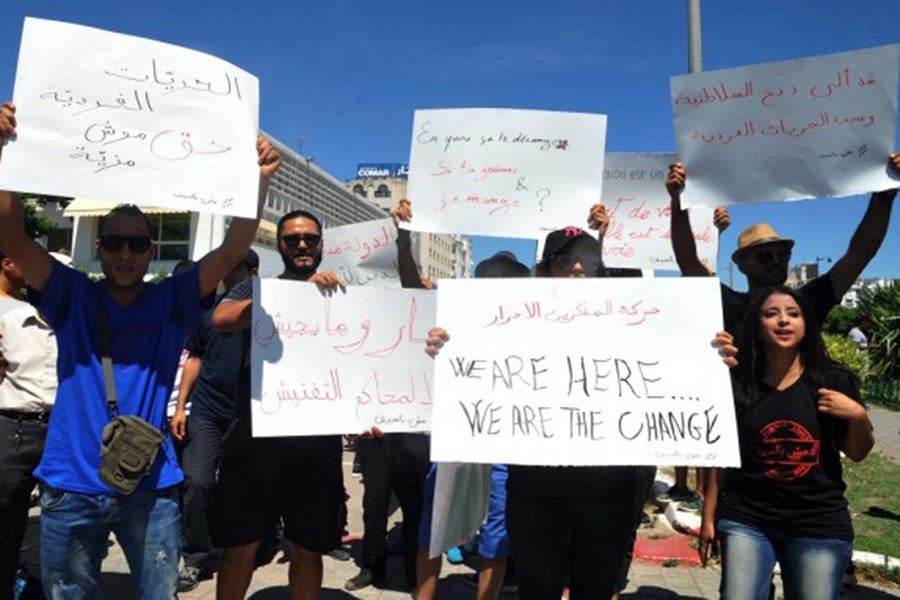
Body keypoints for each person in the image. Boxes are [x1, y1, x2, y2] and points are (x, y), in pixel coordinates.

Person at [0, 100, 282, 599]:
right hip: (70, 484)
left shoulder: (171, 301)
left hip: (150, 490)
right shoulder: (72, 294)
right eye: (113, 243)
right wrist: (3, 152)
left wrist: (257, 179)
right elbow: (12, 237)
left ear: (151, 251)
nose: (124, 254)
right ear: (102, 248)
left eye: (136, 244)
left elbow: (234, 249)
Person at [700, 286, 874, 600]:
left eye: (793, 313)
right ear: (757, 324)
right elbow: (722, 454)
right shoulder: (738, 382)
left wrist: (859, 416)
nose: (783, 321)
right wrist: (708, 516)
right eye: (771, 313)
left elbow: (859, 453)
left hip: (817, 521)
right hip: (747, 517)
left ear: (806, 323)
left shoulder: (834, 380)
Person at [211, 208, 345, 600]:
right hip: (255, 434)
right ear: (280, 245)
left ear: (321, 244)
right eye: (292, 239)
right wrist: (286, 299)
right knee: (240, 545)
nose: (302, 245)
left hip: (315, 441)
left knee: (307, 546)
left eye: (310, 239)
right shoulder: (257, 287)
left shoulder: (343, 291)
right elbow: (221, 318)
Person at [666, 153, 900, 335]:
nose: (777, 261)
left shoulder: (807, 302)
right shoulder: (731, 304)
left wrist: (884, 197)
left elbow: (859, 254)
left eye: (783, 254)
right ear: (742, 266)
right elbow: (689, 262)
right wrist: (678, 200)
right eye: (765, 255)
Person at [415, 250, 530, 600]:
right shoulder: (453, 325)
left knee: (496, 535)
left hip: (506, 444)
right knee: (434, 528)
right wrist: (435, 346)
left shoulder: (534, 331)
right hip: (458, 437)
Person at [345, 200, 431, 592]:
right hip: (375, 426)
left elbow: (413, 279)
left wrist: (403, 241)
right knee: (373, 504)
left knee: (415, 507)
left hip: (413, 427)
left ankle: (416, 577)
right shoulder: (366, 317)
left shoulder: (421, 309)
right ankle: (372, 567)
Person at [170, 250, 259, 592]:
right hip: (207, 411)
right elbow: (194, 358)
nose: (226, 275)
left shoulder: (270, 312)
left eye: (234, 268)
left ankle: (254, 543)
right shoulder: (208, 309)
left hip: (249, 415)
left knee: (244, 487)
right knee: (197, 482)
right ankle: (196, 557)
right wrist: (181, 407)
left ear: (252, 271)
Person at [0, 251, 57, 600]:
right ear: (7, 261)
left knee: (60, 528)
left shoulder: (32, 308)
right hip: (12, 429)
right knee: (5, 529)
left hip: (56, 430)